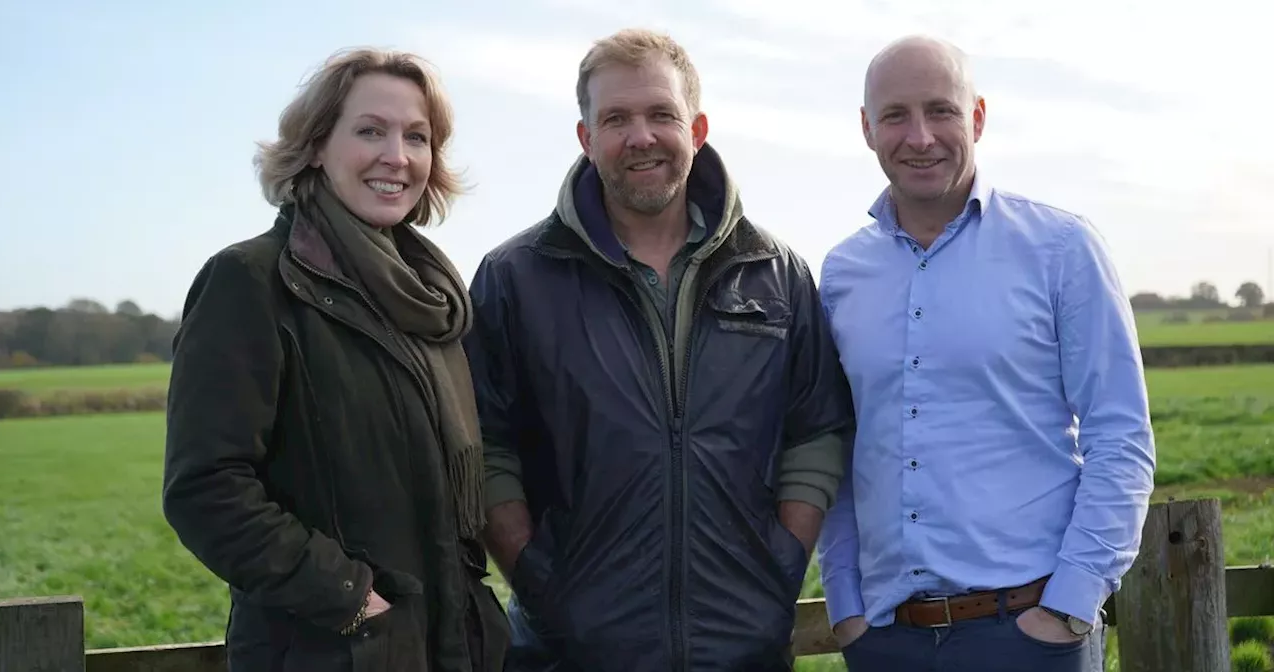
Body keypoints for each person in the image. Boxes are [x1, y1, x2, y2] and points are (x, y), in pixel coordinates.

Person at [462, 28, 854, 672]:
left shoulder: (775, 273)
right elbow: (485, 443)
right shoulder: (516, 276)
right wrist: (539, 579)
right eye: (615, 118)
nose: (640, 137)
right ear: (587, 139)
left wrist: (780, 562)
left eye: (661, 115)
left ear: (696, 129)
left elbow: (815, 428)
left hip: (744, 648)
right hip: (570, 651)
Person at [161, 47, 509, 672]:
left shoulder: (431, 298)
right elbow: (205, 488)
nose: (396, 156)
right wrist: (351, 599)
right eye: (370, 131)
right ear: (317, 145)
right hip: (333, 652)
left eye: (417, 137)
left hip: (452, 650)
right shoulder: (251, 282)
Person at [816, 34, 1157, 672]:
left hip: (1028, 637)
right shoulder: (841, 275)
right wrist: (846, 606)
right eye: (895, 115)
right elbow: (837, 446)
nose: (919, 136)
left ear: (976, 116)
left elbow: (1121, 435)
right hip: (888, 641)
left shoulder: (1061, 249)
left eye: (940, 110)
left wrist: (1068, 607)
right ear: (867, 129)